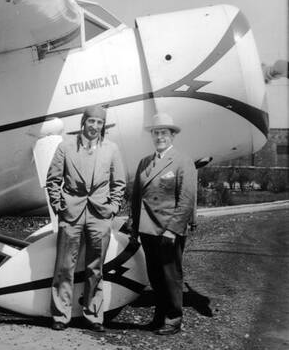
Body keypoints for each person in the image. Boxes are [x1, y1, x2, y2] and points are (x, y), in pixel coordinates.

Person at [46, 105, 126, 331]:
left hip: (100, 215)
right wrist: (59, 205)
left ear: (103, 126)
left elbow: (119, 183)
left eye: (99, 123)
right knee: (64, 266)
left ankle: (94, 316)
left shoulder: (111, 149)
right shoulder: (66, 147)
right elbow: (53, 180)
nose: (95, 127)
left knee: (96, 268)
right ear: (84, 123)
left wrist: (113, 207)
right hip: (71, 213)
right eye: (91, 122)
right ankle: (61, 316)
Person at [127, 112, 197, 335]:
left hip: (168, 230)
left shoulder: (182, 161)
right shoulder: (144, 162)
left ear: (172, 136)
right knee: (155, 276)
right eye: (156, 133)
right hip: (148, 229)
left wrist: (173, 230)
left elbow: (186, 200)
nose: (159, 137)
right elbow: (137, 198)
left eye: (164, 133)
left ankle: (174, 318)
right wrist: (134, 228)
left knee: (171, 275)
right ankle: (159, 316)